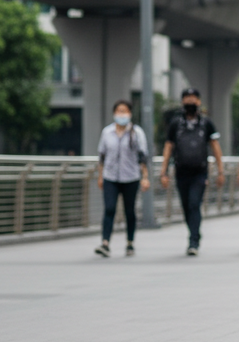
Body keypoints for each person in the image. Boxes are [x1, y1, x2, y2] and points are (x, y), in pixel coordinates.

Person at [159, 88, 224, 255]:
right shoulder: (175, 123)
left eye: (193, 99)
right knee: (186, 206)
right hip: (181, 171)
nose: (190, 102)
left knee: (195, 203)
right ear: (182, 102)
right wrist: (163, 171)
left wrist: (220, 171)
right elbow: (168, 146)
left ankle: (193, 240)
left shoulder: (206, 123)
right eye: (187, 99)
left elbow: (215, 147)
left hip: (200, 172)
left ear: (199, 101)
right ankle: (194, 231)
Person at [94, 100, 150, 257]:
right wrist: (100, 176)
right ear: (114, 113)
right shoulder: (107, 132)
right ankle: (105, 243)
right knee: (109, 209)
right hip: (110, 177)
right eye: (119, 111)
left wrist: (145, 177)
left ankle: (130, 242)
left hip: (130, 177)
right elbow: (102, 156)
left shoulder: (137, 133)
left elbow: (142, 157)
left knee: (129, 211)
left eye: (125, 111)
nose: (122, 114)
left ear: (130, 114)